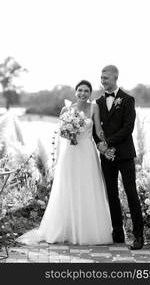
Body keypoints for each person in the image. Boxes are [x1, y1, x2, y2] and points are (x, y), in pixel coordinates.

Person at [16, 80, 113, 245]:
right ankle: (66, 228)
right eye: (80, 90)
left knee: (88, 186)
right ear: (76, 92)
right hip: (70, 152)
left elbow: (97, 130)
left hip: (87, 152)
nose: (83, 93)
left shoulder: (94, 107)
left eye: (86, 91)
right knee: (68, 187)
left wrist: (106, 142)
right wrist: (70, 131)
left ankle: (88, 230)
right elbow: (61, 133)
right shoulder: (66, 110)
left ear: (90, 93)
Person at [93, 65, 144, 250]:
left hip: (125, 154)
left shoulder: (128, 99)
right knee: (111, 194)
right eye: (101, 77)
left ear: (115, 77)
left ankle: (139, 236)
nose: (103, 80)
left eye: (106, 77)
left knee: (131, 194)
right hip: (106, 156)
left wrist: (109, 143)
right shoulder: (97, 103)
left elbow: (128, 127)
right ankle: (118, 234)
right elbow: (94, 128)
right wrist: (100, 145)